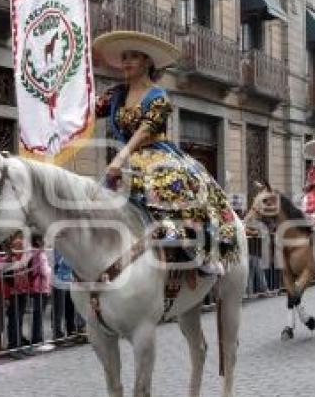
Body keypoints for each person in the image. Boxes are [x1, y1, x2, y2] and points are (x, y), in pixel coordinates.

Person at [93, 30, 240, 286]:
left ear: (147, 62)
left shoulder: (158, 96)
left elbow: (144, 131)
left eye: (133, 57)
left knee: (173, 189)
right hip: (124, 157)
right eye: (124, 57)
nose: (126, 62)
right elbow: (90, 109)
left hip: (155, 153)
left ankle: (199, 254)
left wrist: (120, 158)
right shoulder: (116, 94)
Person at [27, 234, 53, 352]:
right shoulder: (40, 254)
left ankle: (37, 337)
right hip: (41, 286)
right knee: (39, 314)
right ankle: (37, 338)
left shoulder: (33, 253)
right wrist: (50, 269)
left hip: (37, 286)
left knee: (38, 313)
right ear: (38, 241)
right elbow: (44, 271)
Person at [51, 252, 85, 341]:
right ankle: (57, 334)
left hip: (69, 281)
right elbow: (55, 264)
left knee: (70, 308)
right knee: (58, 310)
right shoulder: (56, 250)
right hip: (59, 282)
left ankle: (71, 331)